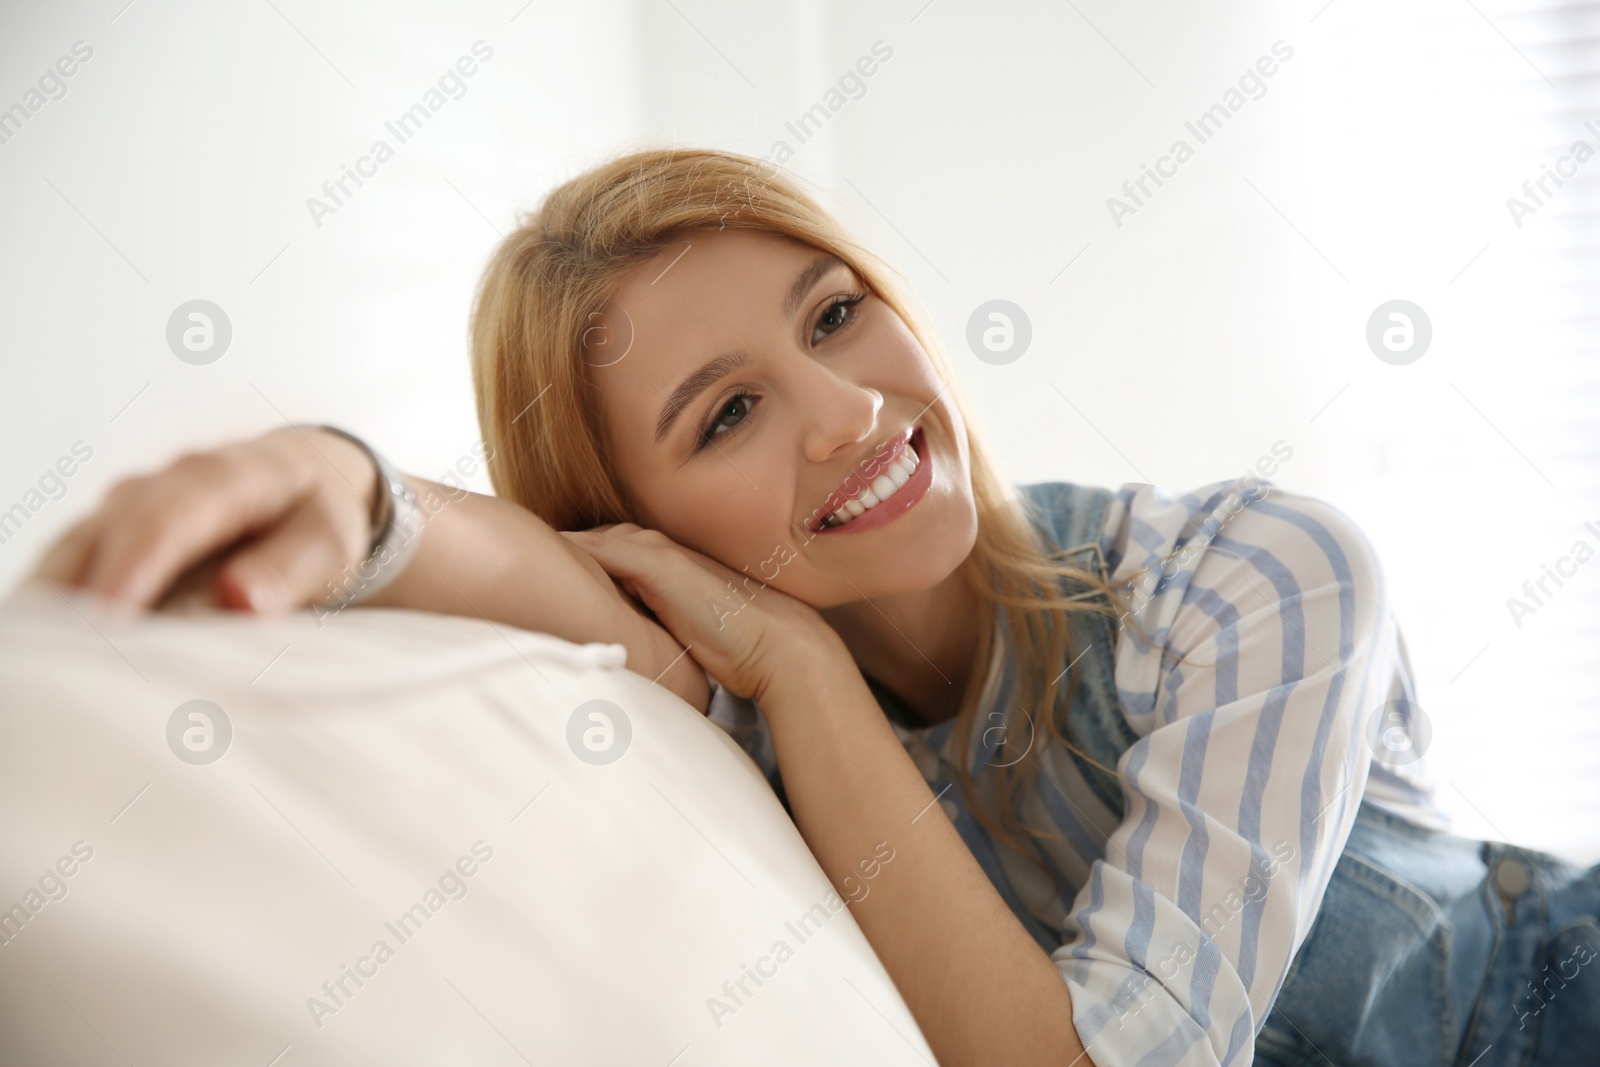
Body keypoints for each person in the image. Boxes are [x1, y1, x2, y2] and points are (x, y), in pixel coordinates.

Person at [28, 148, 1599, 1066]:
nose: (848, 413)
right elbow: (531, 570)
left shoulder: (1260, 572)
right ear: (644, 527)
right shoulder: (744, 701)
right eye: (727, 416)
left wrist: (796, 663)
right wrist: (350, 489)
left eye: (837, 314)